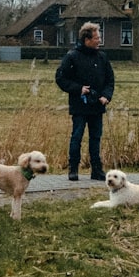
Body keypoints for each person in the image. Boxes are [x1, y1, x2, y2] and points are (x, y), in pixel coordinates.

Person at [55, 21, 115, 181]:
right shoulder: (72, 57)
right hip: (79, 106)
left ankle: (97, 170)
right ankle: (73, 169)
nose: (99, 40)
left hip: (97, 106)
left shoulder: (102, 57)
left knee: (96, 138)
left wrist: (106, 96)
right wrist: (78, 89)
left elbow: (110, 80)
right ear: (87, 39)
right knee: (77, 137)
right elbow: (60, 78)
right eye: (96, 38)